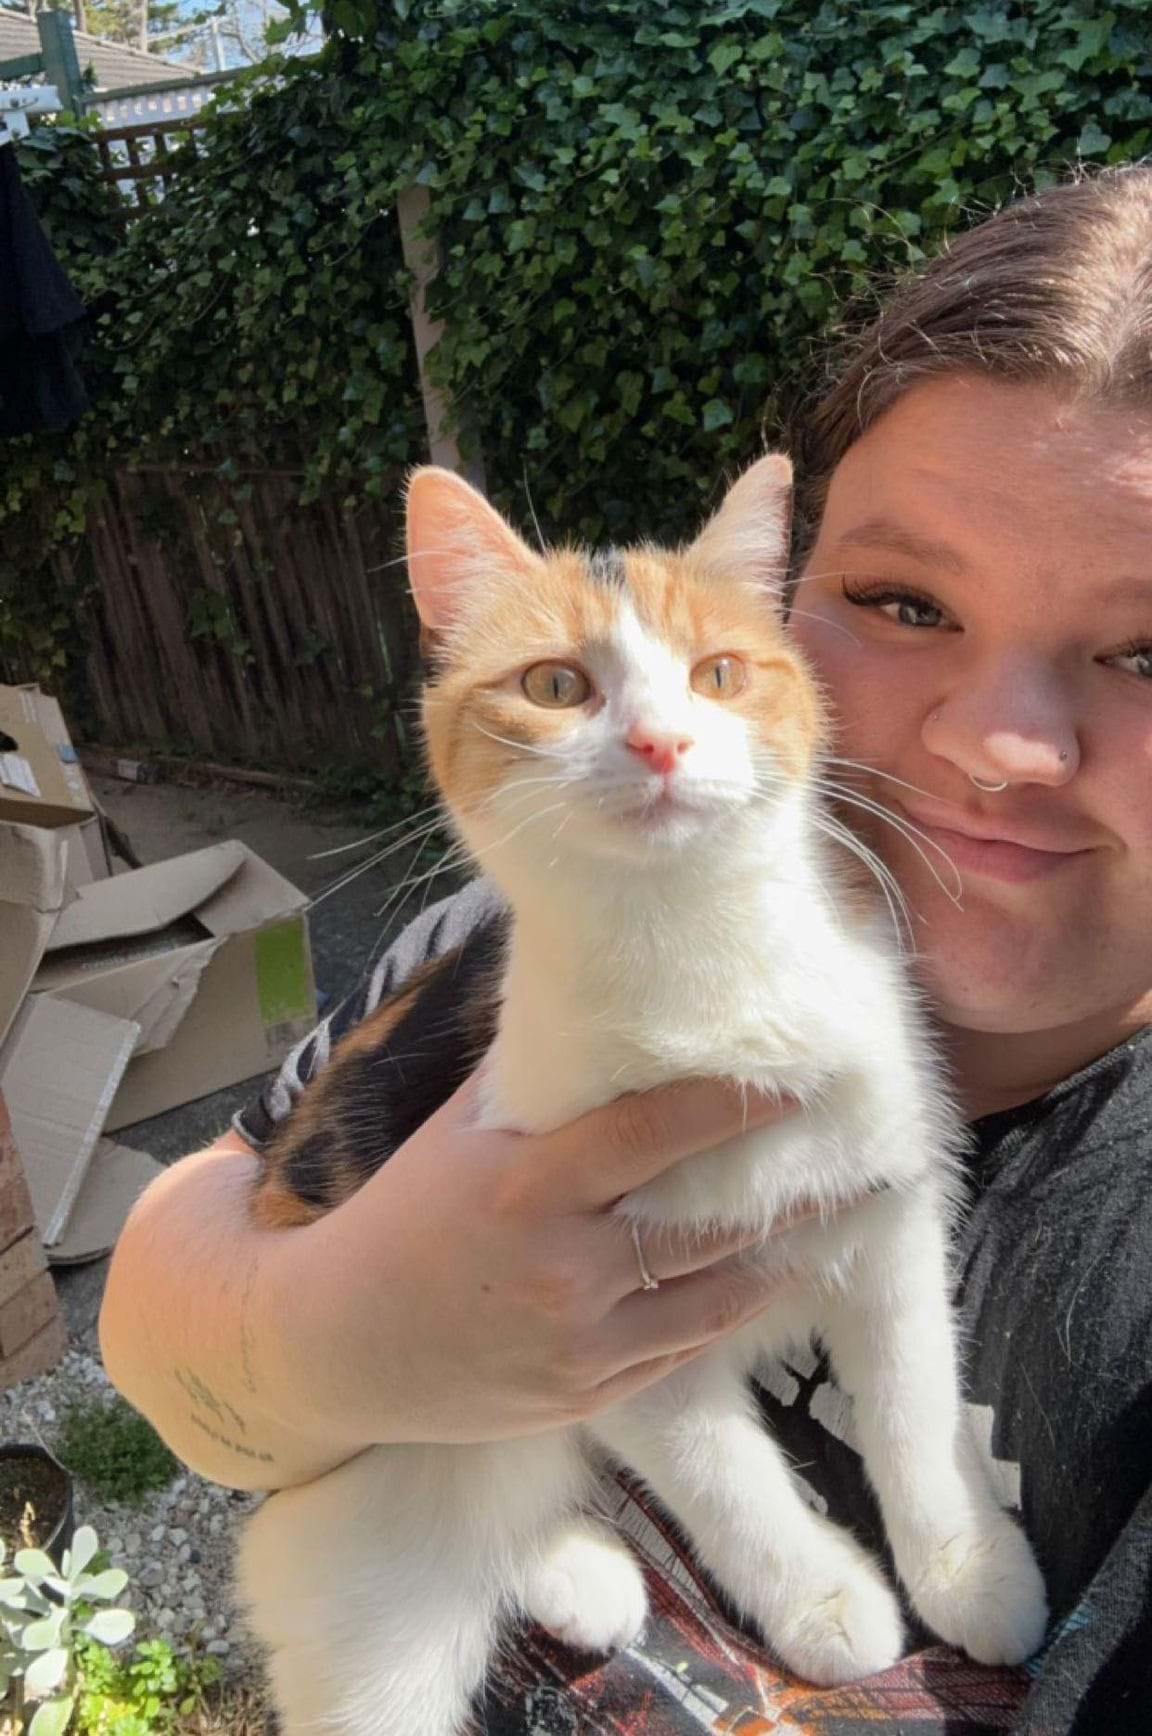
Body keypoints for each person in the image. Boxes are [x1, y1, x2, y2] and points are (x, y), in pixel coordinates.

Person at [100, 167, 1152, 1734]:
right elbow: (165, 1334)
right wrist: (340, 1334)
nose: (1000, 745)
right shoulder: (504, 938)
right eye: (902, 599)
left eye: (1147, 648)